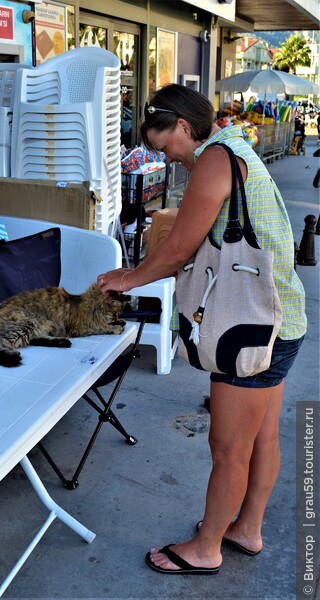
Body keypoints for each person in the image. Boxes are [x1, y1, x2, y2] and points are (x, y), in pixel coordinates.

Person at [97, 84, 307, 575]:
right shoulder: (237, 148)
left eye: (166, 147)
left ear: (186, 129)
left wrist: (124, 279)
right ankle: (247, 529)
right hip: (281, 319)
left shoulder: (214, 160)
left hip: (251, 325)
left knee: (229, 446)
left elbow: (178, 251)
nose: (168, 159)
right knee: (261, 439)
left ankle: (207, 546)